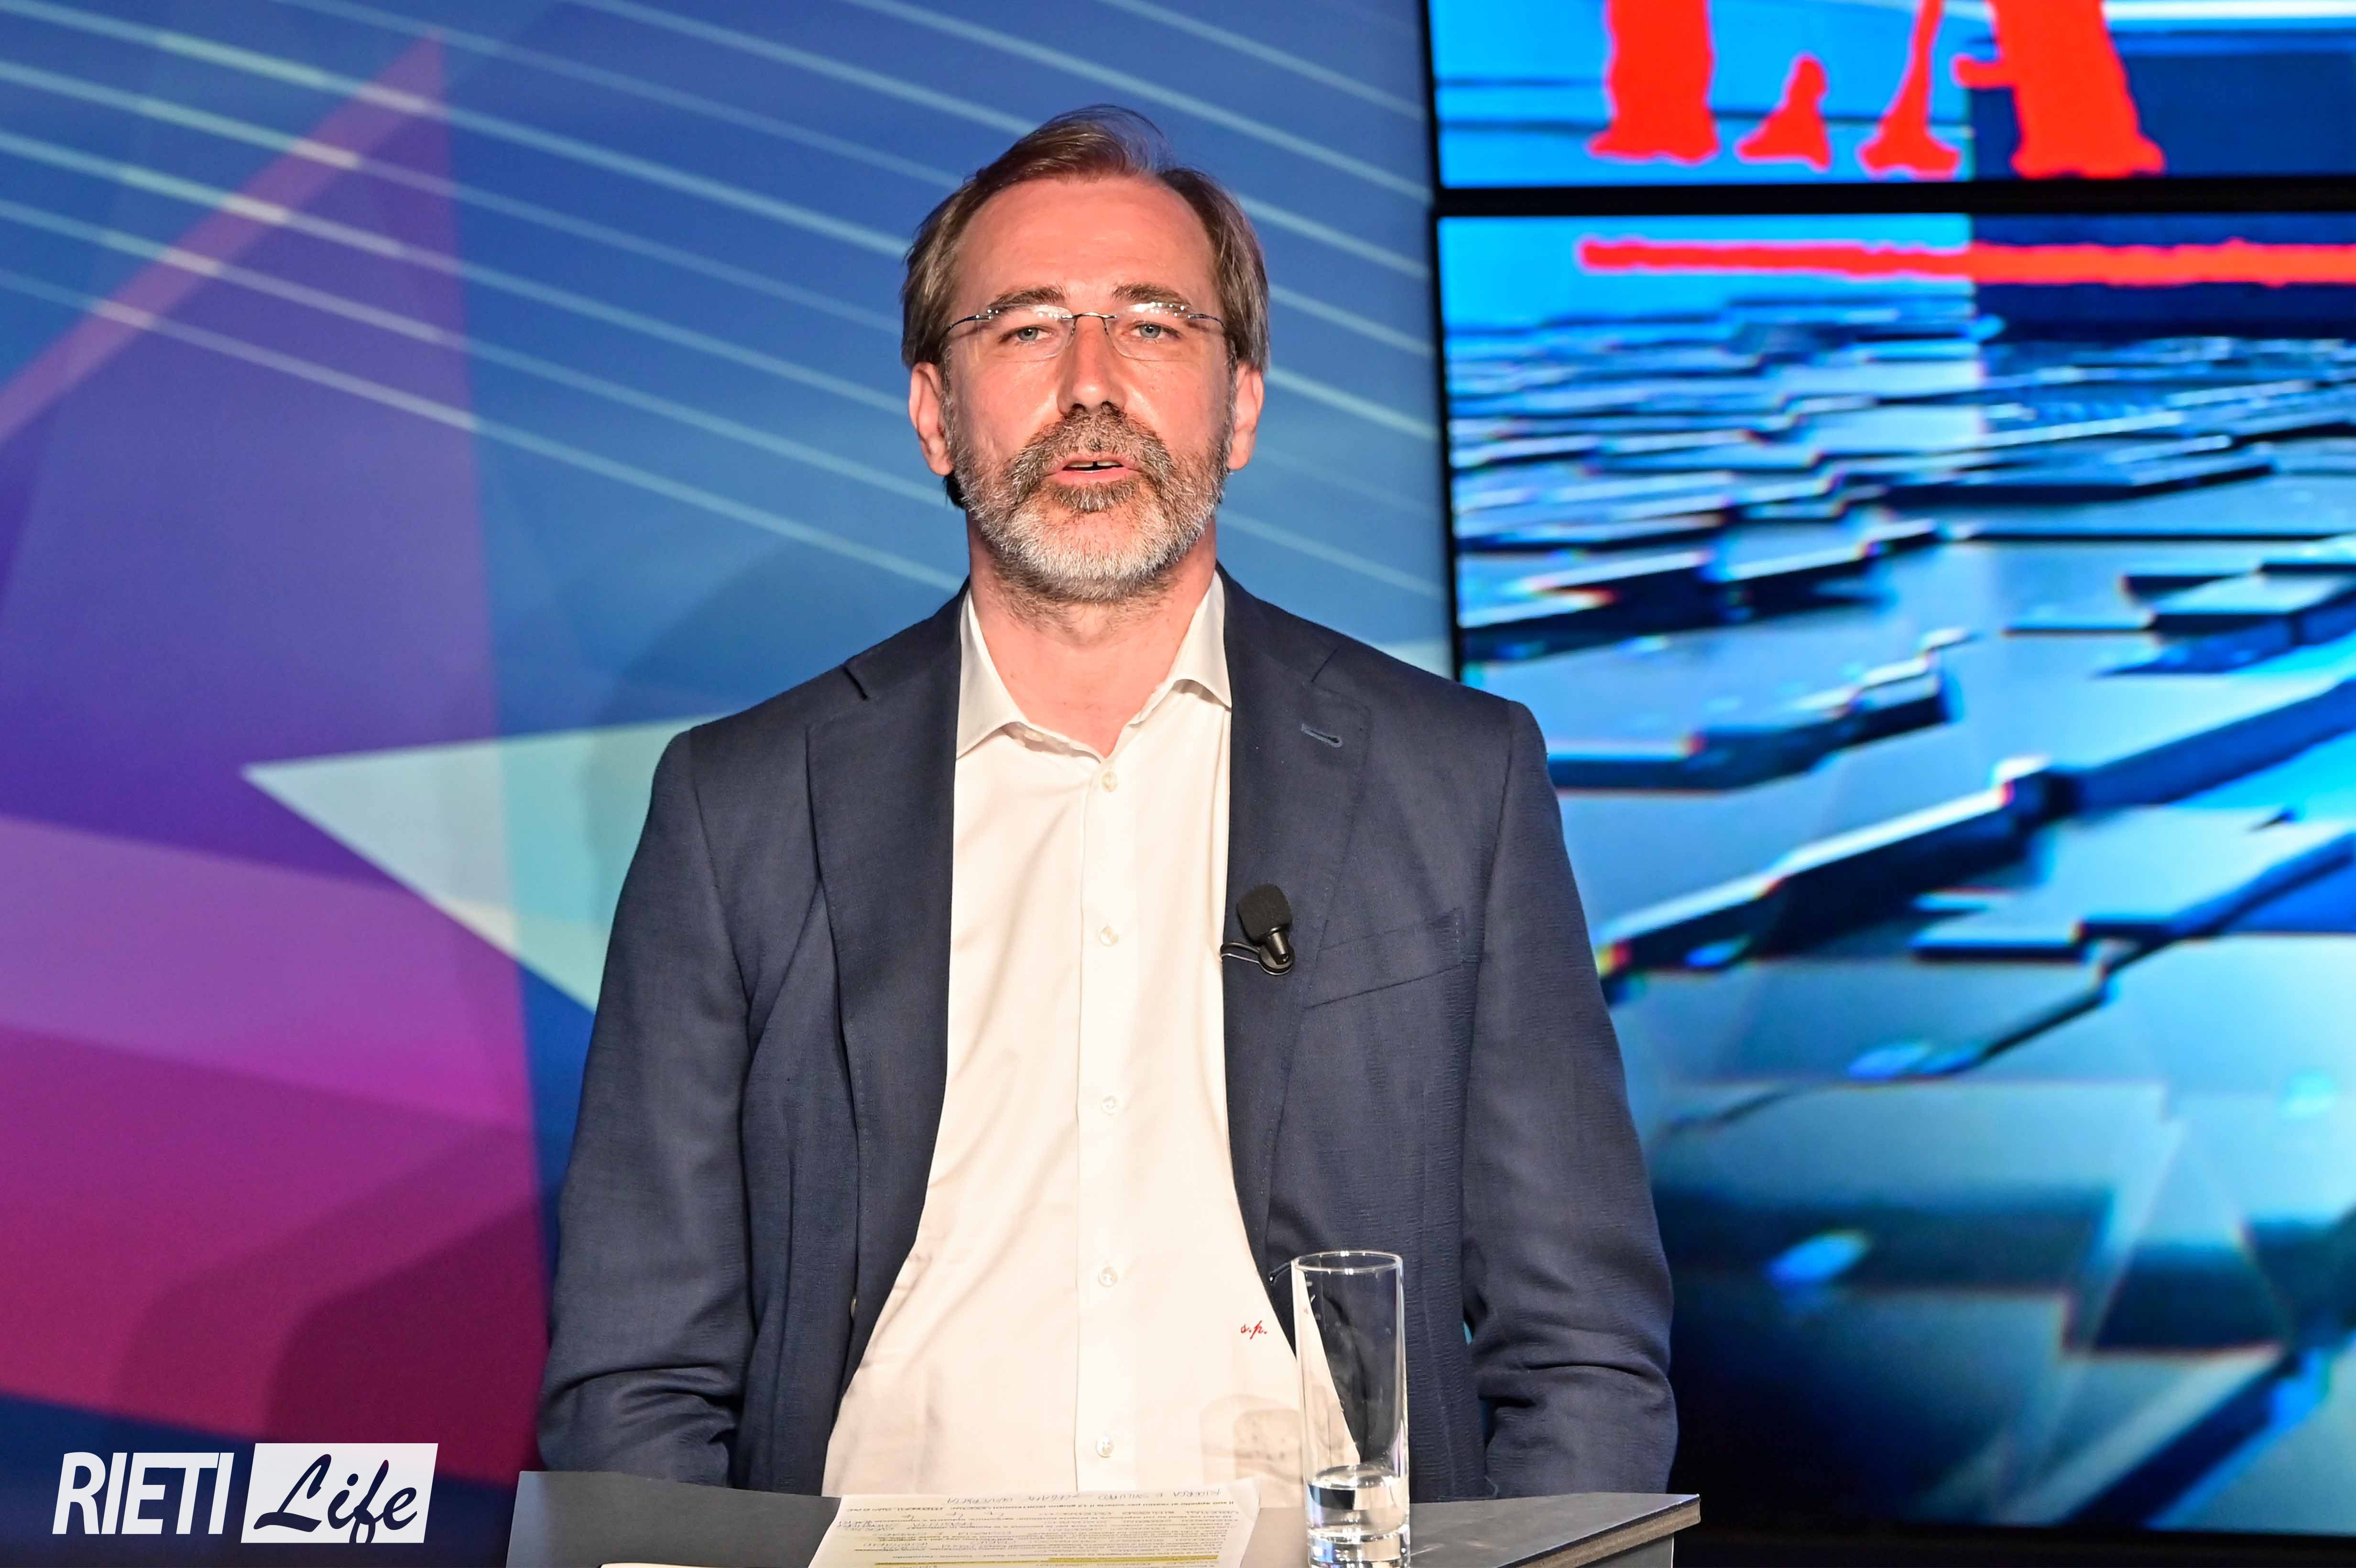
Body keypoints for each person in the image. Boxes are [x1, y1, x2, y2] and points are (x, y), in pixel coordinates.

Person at [537, 106, 1674, 1503]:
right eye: (1024, 328)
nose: (1092, 385)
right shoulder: (741, 809)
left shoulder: (1454, 778)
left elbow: (1582, 1349)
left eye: (1152, 326)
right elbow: (635, 1373)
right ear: (934, 414)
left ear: (1240, 406)